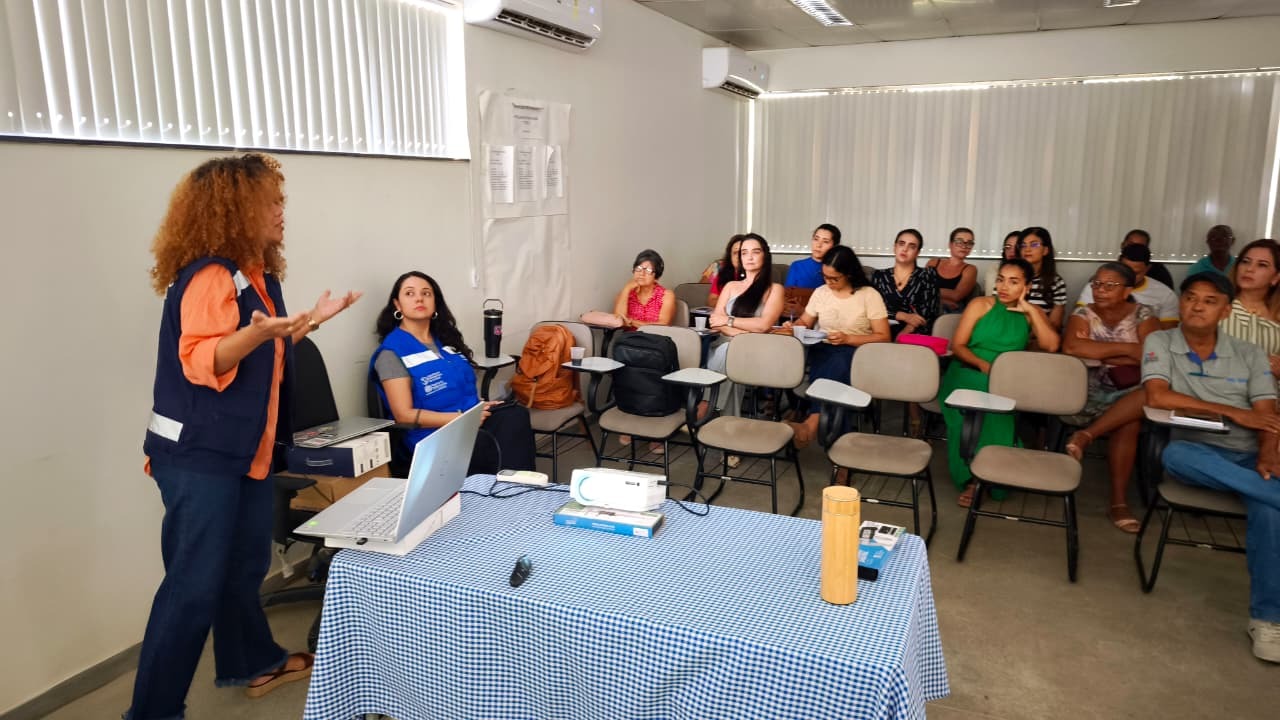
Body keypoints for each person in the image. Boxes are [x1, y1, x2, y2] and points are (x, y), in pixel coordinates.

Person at [131, 153, 362, 718]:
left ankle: (252, 661)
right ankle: (152, 711)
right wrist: (258, 336)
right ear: (235, 209)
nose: (281, 211)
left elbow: (267, 347)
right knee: (191, 588)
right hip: (199, 457)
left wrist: (311, 321)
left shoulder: (259, 275)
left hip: (245, 453)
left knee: (241, 569)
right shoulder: (210, 275)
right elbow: (202, 358)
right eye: (270, 202)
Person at [1143, 271, 1280, 663]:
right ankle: (1268, 489)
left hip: (1248, 456)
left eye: (1209, 300)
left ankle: (1268, 619)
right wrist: (1232, 411)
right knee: (1173, 455)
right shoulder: (1161, 341)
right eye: (1190, 298)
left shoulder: (1250, 353)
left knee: (1269, 511)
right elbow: (1157, 396)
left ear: (1225, 310)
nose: (1197, 307)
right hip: (1196, 453)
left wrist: (1268, 455)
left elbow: (1267, 416)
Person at [371, 272, 536, 474]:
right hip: (434, 438)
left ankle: (519, 487)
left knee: (515, 414)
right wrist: (463, 418)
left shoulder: (446, 343)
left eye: (426, 293)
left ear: (435, 303)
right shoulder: (391, 353)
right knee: (493, 440)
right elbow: (403, 415)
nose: (419, 298)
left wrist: (479, 407)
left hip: (468, 423)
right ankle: (510, 488)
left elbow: (460, 391)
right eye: (409, 293)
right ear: (397, 305)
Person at [940, 258, 1061, 507]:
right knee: (980, 408)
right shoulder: (980, 305)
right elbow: (958, 346)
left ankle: (992, 473)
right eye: (1000, 280)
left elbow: (1051, 346)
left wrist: (1029, 309)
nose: (1004, 287)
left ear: (1027, 286)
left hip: (1006, 378)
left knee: (997, 408)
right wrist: (984, 366)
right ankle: (975, 477)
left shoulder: (1031, 313)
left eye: (1014, 282)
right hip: (968, 371)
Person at [1061, 263, 1161, 533]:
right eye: (1096, 284)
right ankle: (1118, 503)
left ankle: (1087, 440)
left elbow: (1151, 355)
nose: (1100, 290)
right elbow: (1072, 347)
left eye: (1109, 285)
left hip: (1130, 392)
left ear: (1127, 290)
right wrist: (1128, 350)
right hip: (1085, 392)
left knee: (1137, 409)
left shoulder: (1144, 314)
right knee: (1127, 419)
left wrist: (1098, 350)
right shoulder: (1083, 313)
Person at [781, 246, 891, 451]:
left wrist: (848, 338)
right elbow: (805, 322)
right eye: (824, 277)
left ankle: (812, 422)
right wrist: (792, 326)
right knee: (832, 369)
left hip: (858, 353)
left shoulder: (868, 295)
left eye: (834, 278)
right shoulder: (821, 292)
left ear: (848, 273)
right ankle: (840, 453)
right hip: (823, 349)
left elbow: (884, 336)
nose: (828, 282)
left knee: (839, 362)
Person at [705, 233, 785, 462]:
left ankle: (707, 407)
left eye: (755, 252)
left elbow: (763, 325)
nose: (749, 257)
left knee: (730, 354)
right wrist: (742, 333)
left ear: (765, 256)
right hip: (727, 345)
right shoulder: (731, 286)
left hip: (757, 350)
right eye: (744, 253)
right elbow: (715, 321)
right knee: (729, 357)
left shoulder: (774, 289)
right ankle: (730, 439)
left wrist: (729, 321)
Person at [1221, 239, 1280, 390]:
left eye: (1262, 265)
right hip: (1218, 394)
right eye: (1245, 262)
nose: (1249, 269)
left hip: (1269, 397)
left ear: (1276, 277)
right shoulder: (1217, 309)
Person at [1075, 244, 1178, 328]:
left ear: (1147, 269)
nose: (1129, 276)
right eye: (1125, 270)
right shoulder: (1096, 287)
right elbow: (1079, 322)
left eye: (1136, 273)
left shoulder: (1165, 294)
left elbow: (1166, 334)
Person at [872, 229, 940, 336]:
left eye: (912, 246)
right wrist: (901, 315)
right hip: (882, 331)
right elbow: (873, 309)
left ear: (917, 252)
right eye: (901, 244)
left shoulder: (927, 275)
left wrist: (904, 333)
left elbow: (928, 312)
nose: (905, 249)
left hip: (915, 334)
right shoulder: (879, 275)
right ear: (895, 247)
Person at [1017, 226, 1067, 349]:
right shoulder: (1009, 278)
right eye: (1023, 245)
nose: (1027, 249)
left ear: (1045, 250)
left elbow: (1054, 325)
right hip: (1009, 336)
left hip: (1039, 340)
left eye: (1034, 245)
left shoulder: (1056, 282)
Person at [611, 249, 675, 329]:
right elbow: (617, 320)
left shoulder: (666, 295)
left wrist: (631, 322)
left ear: (656, 277)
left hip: (655, 336)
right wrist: (626, 289)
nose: (642, 273)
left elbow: (662, 324)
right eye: (639, 268)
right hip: (630, 336)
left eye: (648, 270)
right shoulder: (625, 294)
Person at [926, 227, 979, 313]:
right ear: (950, 244)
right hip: (927, 305)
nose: (964, 246)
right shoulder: (933, 262)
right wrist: (943, 300)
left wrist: (931, 290)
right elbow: (922, 288)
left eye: (969, 243)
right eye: (959, 242)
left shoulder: (970, 269)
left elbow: (956, 296)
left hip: (950, 312)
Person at [784, 223, 841, 289]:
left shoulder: (839, 268)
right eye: (816, 239)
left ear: (834, 246)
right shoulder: (797, 266)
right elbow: (788, 293)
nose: (818, 245)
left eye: (825, 241)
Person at [706, 234, 744, 306]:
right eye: (735, 253)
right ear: (730, 256)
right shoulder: (722, 273)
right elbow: (711, 301)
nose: (738, 256)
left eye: (743, 253)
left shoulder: (758, 277)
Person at [983, 231, 1020, 295]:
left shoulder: (1030, 270)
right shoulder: (994, 268)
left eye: (1017, 247)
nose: (1012, 251)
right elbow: (990, 296)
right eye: (1008, 247)